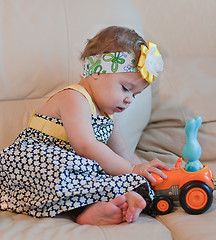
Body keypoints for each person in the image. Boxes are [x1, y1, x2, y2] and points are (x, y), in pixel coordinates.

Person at [0, 26, 169, 225]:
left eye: (135, 95)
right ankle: (102, 201)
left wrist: (145, 171)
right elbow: (86, 146)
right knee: (84, 169)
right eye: (125, 89)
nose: (129, 100)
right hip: (34, 163)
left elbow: (123, 152)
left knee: (105, 171)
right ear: (96, 71)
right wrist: (132, 168)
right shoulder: (74, 98)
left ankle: (96, 208)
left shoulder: (108, 116)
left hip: (75, 171)